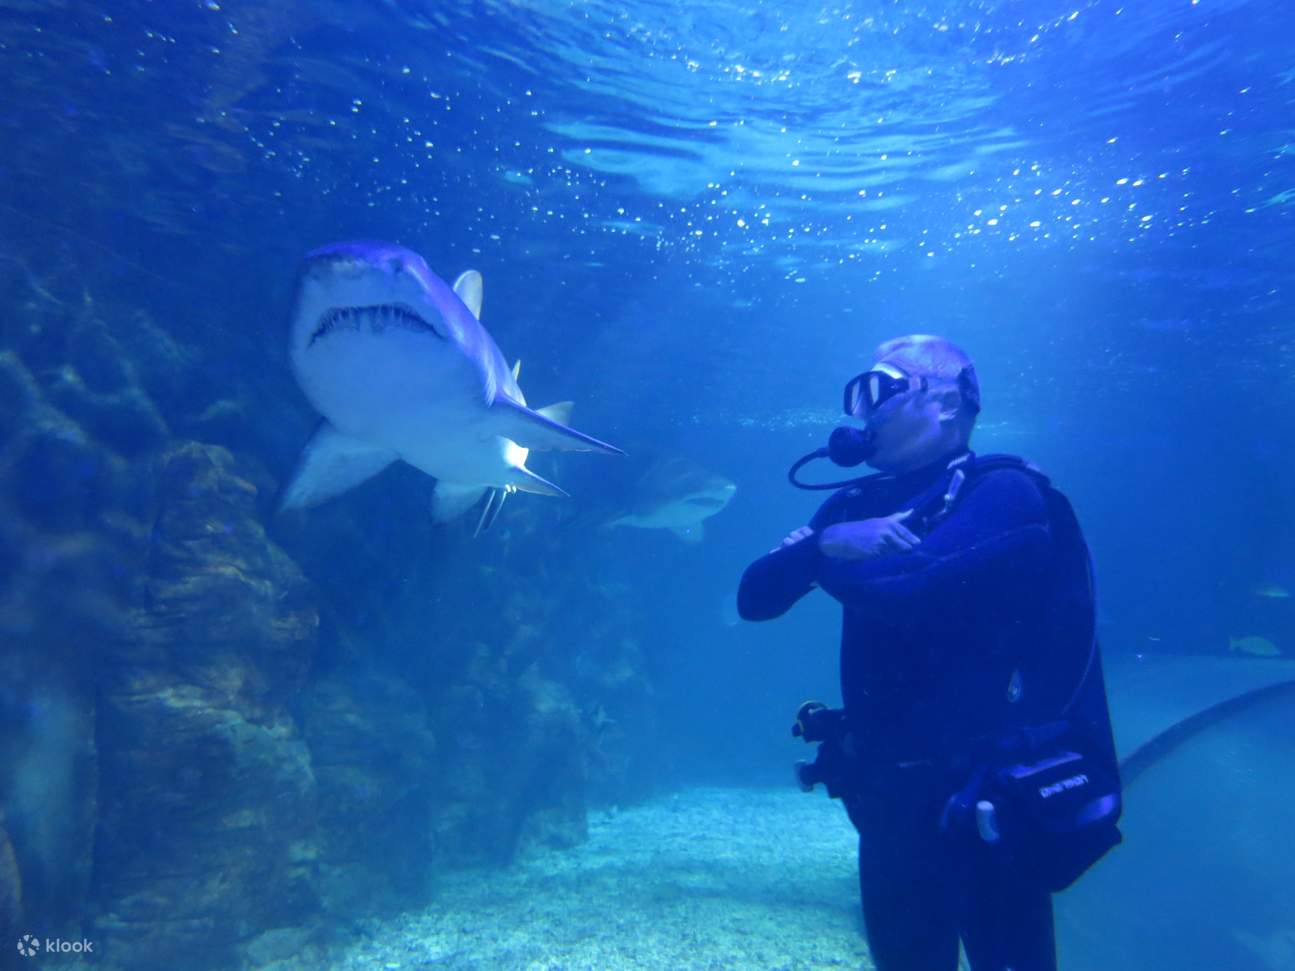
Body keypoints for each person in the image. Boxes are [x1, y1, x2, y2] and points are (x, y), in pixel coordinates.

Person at [737, 335, 1120, 971]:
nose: (864, 412)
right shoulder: (853, 505)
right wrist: (830, 541)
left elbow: (907, 591)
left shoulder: (1002, 492)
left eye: (881, 389)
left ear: (946, 403)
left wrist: (818, 552)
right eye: (859, 395)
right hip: (886, 799)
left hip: (985, 800)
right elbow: (755, 597)